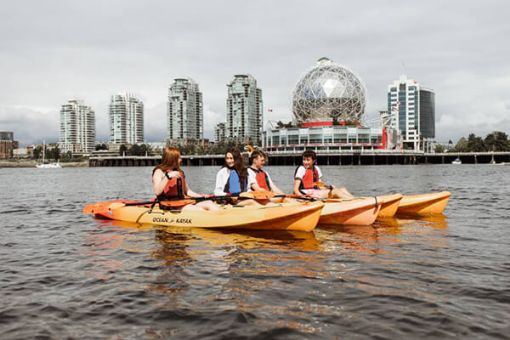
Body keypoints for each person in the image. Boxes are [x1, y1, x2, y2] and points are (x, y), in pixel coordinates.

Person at [152, 147, 220, 211]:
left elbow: (187, 191)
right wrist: (167, 177)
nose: (181, 160)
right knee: (200, 210)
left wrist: (201, 196)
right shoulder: (159, 172)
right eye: (179, 158)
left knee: (210, 203)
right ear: (172, 159)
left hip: (181, 201)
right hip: (169, 204)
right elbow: (157, 192)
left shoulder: (179, 172)